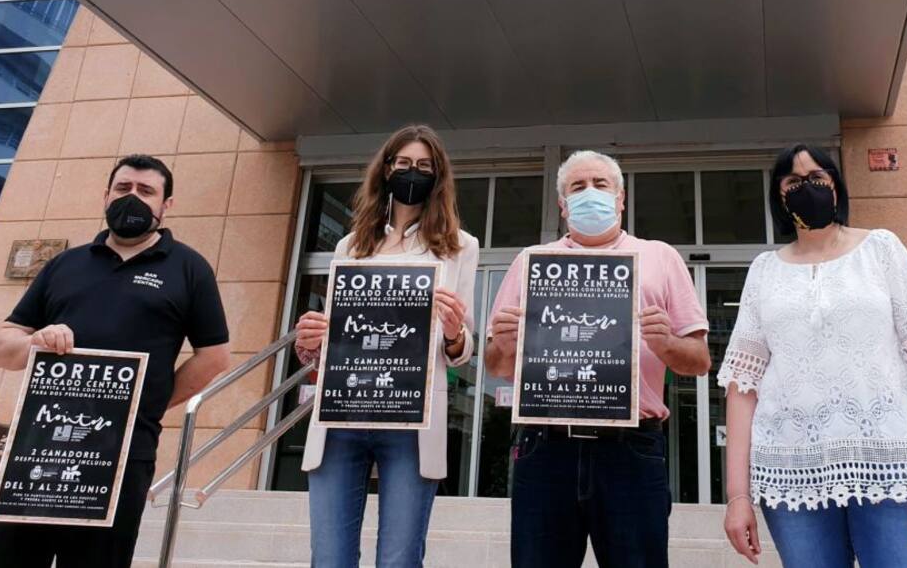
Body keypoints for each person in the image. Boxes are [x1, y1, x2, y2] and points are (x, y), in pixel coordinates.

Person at [720, 144, 907, 568]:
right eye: (793, 181)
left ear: (836, 186)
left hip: (889, 467)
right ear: (778, 196)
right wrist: (737, 496)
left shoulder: (882, 249)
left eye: (817, 178)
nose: (807, 187)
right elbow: (743, 386)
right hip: (791, 473)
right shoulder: (764, 271)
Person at [0, 154, 231, 568]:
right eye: (123, 188)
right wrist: (35, 342)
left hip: (122, 455)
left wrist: (141, 405)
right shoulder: (65, 263)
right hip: (36, 450)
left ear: (166, 205)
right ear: (106, 195)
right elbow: (3, 347)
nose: (132, 197)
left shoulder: (189, 268)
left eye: (146, 191)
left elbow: (215, 356)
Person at [485, 149, 711, 568]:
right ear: (562, 204)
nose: (590, 192)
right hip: (545, 447)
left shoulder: (660, 257)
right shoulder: (532, 262)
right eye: (578, 186)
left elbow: (699, 361)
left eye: (600, 184)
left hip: (631, 449)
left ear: (620, 198)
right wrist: (503, 343)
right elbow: (496, 366)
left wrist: (667, 344)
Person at [294, 124, 477, 568]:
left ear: (438, 177)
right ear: (386, 169)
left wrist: (455, 333)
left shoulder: (459, 247)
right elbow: (336, 338)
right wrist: (311, 342)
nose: (413, 173)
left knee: (399, 558)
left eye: (425, 166)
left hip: (412, 420)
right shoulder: (350, 245)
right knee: (329, 558)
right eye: (404, 163)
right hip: (343, 414)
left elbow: (463, 347)